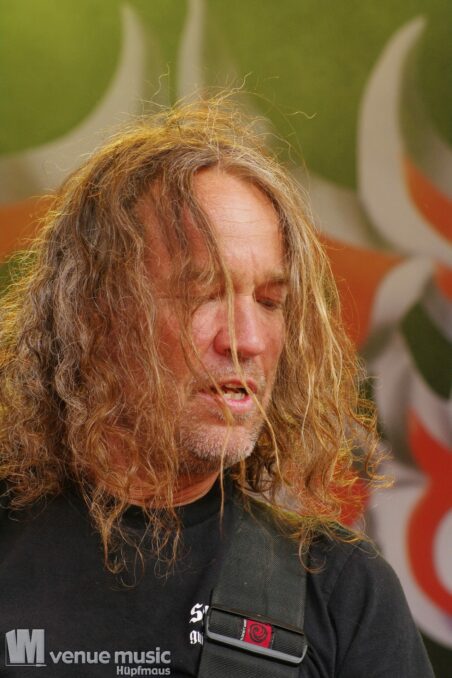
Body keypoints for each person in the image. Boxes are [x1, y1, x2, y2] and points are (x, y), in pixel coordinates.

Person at [0, 97, 434, 677]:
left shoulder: (343, 592)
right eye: (204, 294)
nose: (247, 340)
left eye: (270, 302)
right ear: (95, 312)